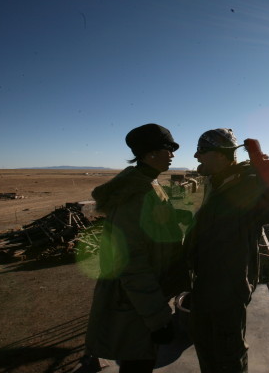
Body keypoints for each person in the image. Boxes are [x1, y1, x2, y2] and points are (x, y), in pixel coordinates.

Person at [184, 128, 269, 373]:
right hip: (204, 282)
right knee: (204, 344)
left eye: (202, 151)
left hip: (228, 286)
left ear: (222, 156)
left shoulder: (246, 184)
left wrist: (259, 158)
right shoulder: (218, 182)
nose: (196, 156)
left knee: (227, 352)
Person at [85, 123, 190, 373]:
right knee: (137, 363)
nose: (173, 155)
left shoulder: (149, 184)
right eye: (168, 148)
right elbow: (131, 261)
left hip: (145, 296)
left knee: (142, 358)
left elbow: (151, 229)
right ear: (150, 153)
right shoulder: (136, 195)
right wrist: (158, 318)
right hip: (136, 302)